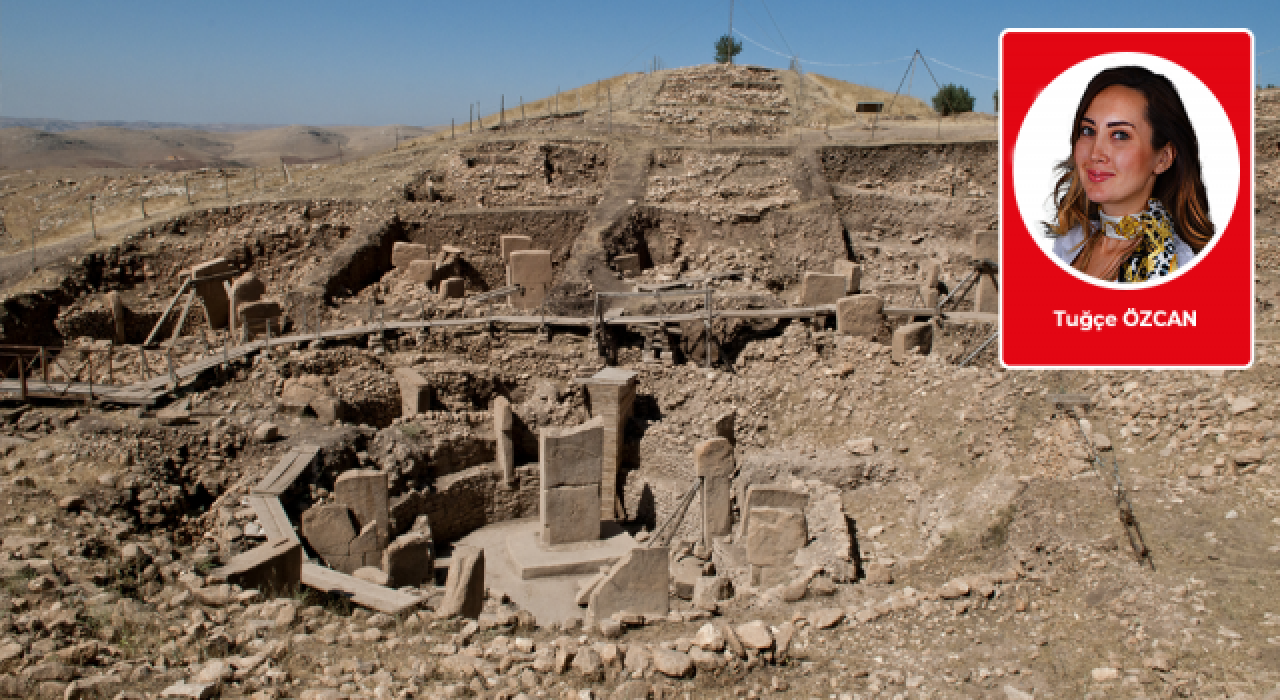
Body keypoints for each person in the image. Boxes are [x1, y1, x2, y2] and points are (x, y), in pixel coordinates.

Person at [1045, 66, 1214, 283]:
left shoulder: (1179, 265)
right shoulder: (1069, 243)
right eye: (1088, 130)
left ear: (1163, 158)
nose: (1095, 153)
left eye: (1120, 135)